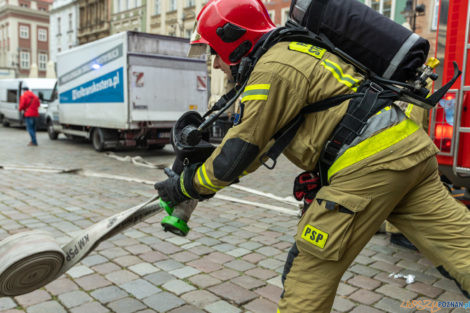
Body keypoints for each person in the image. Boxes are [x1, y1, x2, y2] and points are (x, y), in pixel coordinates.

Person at [154, 0, 470, 311]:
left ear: (232, 40)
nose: (216, 64)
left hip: (369, 167)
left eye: (214, 53)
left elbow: (241, 151)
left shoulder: (272, 69)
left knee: (307, 271)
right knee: (461, 248)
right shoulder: (300, 50)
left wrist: (186, 187)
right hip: (410, 153)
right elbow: (255, 146)